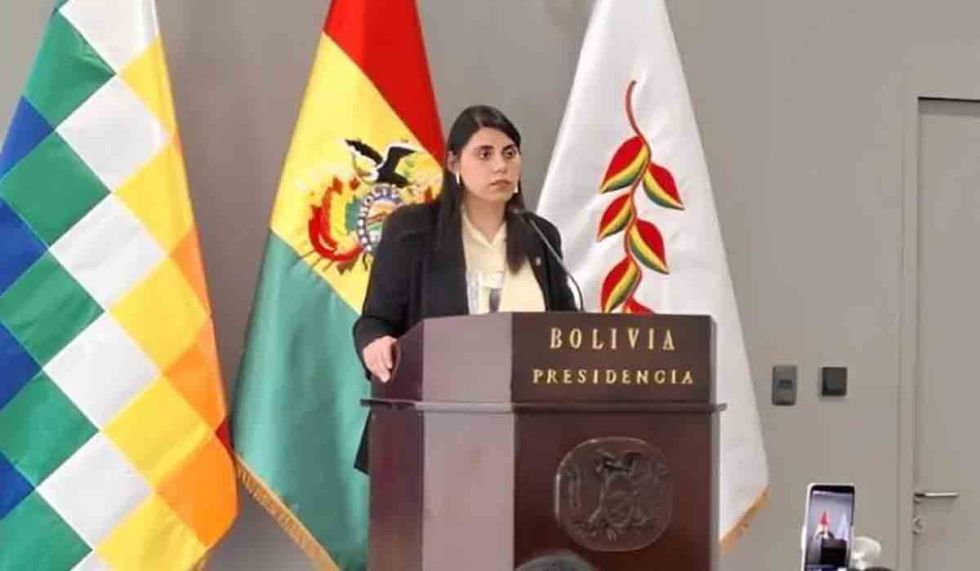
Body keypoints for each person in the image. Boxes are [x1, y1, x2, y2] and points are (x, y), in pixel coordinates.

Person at [352, 105, 578, 471]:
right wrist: (375, 344)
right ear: (454, 163)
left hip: (529, 433)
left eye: (509, 153)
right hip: (433, 431)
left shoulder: (540, 235)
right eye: (484, 154)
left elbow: (567, 330)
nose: (500, 166)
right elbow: (374, 321)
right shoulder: (413, 231)